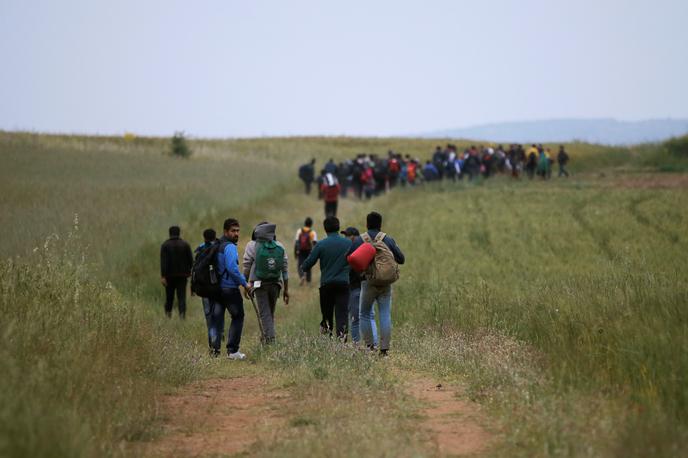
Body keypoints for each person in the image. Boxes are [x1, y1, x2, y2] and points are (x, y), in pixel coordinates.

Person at [348, 212, 405, 356]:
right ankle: (384, 350)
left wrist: (360, 272)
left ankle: (370, 347)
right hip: (386, 283)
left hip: (368, 282)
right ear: (380, 224)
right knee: (385, 313)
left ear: (367, 224)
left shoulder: (361, 239)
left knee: (365, 313)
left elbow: (348, 259)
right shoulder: (387, 239)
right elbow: (401, 259)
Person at [301, 216, 352, 340]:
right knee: (342, 315)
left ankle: (327, 342)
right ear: (338, 227)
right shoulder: (348, 243)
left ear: (325, 229)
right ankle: (342, 342)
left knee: (327, 316)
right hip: (343, 284)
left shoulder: (321, 245)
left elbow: (306, 266)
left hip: (326, 285)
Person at [243, 223, 289, 344]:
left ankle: (270, 341)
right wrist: (286, 289)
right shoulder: (279, 246)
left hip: (259, 284)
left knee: (264, 314)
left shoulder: (252, 245)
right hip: (276, 283)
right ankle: (266, 338)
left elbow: (247, 265)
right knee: (270, 313)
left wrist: (245, 284)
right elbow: (284, 268)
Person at [214, 218, 252, 359]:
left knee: (217, 319)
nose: (236, 233)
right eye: (233, 231)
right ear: (225, 231)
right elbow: (232, 269)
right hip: (229, 288)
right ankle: (233, 351)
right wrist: (245, 283)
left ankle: (214, 352)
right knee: (238, 316)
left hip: (217, 289)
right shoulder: (229, 247)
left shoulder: (217, 245)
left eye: (237, 230)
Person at [341, 226, 378, 346]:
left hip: (356, 287)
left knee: (355, 319)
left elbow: (346, 262)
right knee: (370, 315)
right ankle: (374, 344)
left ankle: (357, 344)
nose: (345, 238)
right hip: (368, 284)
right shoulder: (367, 246)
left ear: (353, 236)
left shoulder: (353, 248)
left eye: (347, 235)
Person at [160, 225, 193, 319]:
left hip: (169, 276)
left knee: (169, 297)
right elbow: (190, 260)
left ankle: (168, 315)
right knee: (181, 297)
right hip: (183, 276)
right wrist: (190, 272)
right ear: (179, 233)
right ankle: (182, 316)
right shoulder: (185, 244)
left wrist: (163, 276)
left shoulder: (165, 245)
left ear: (169, 233)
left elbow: (163, 262)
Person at [194, 228, 219, 351]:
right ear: (215, 236)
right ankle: (219, 339)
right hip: (216, 289)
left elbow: (194, 270)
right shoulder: (218, 248)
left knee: (209, 318)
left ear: (204, 237)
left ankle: (212, 345)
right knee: (218, 316)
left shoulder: (200, 249)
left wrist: (193, 288)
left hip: (204, 290)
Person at [295, 217, 318, 285]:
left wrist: (296, 251)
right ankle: (308, 281)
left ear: (304, 223)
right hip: (309, 251)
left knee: (300, 265)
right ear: (311, 224)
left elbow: (297, 242)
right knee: (309, 265)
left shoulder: (299, 231)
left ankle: (302, 276)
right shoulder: (313, 232)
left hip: (301, 250)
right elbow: (315, 243)